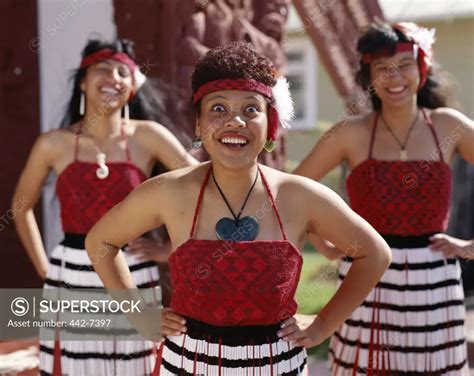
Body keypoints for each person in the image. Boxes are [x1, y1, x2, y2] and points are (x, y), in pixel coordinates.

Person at [85, 41, 392, 375]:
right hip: (189, 363)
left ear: (270, 124)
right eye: (218, 109)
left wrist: (322, 325)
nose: (235, 121)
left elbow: (374, 254)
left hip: (277, 364)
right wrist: (138, 313)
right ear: (199, 126)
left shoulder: (300, 195)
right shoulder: (168, 191)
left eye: (251, 109)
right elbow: (100, 241)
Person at [294, 21, 474, 375]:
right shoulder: (350, 132)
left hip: (434, 283)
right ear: (368, 76)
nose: (394, 77)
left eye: (404, 65)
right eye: (382, 68)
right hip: (365, 278)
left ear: (422, 67)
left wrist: (471, 246)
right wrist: (319, 235)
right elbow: (291, 189)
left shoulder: (448, 125)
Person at [12, 38, 198, 375]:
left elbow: (199, 186)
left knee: (134, 366)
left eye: (122, 72)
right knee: (76, 368)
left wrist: (166, 249)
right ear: (83, 81)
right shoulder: (53, 144)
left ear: (131, 88)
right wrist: (44, 269)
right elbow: (21, 207)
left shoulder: (149, 136)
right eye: (103, 69)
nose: (113, 77)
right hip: (71, 275)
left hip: (133, 272)